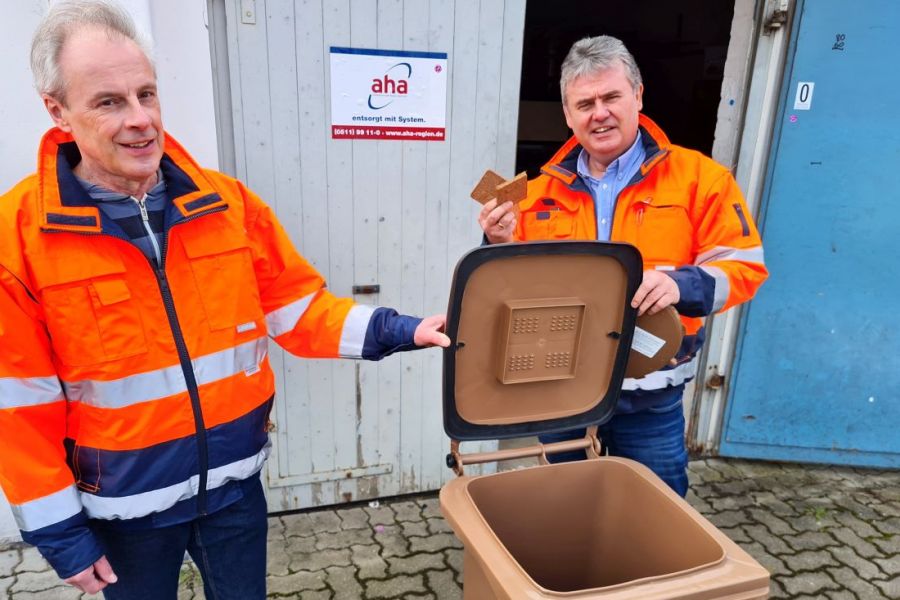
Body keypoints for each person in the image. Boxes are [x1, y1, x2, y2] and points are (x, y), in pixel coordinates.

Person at [0, 1, 449, 598]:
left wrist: (399, 329)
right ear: (57, 111)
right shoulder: (19, 240)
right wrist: (61, 536)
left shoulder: (225, 204)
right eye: (109, 101)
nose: (141, 119)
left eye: (147, 94)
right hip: (126, 515)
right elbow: (17, 410)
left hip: (235, 491)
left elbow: (298, 308)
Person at [478, 36, 767, 497]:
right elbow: (506, 291)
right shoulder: (534, 195)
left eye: (611, 96)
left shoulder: (702, 180)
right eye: (584, 103)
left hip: (652, 395)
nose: (600, 113)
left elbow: (744, 269)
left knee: (658, 510)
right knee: (565, 506)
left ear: (638, 95)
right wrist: (495, 240)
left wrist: (678, 285)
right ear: (568, 116)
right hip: (562, 390)